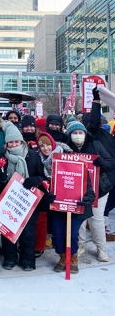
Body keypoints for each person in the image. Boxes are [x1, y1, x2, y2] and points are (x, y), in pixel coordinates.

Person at [36, 132, 93, 273]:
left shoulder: (70, 158)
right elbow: (40, 183)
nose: (45, 148)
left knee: (72, 233)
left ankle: (73, 257)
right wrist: (47, 195)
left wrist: (89, 196)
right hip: (57, 206)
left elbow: (86, 180)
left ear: (53, 145)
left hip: (76, 205)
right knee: (57, 232)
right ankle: (62, 256)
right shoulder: (39, 162)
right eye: (42, 146)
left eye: (48, 145)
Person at [0, 121, 45, 271]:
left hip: (28, 200)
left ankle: (28, 259)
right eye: (11, 142)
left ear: (21, 141)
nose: (14, 144)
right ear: (6, 143)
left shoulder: (33, 156)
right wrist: (1, 179)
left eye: (17, 141)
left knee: (28, 232)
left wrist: (35, 180)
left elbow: (42, 177)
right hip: (9, 200)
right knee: (8, 230)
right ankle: (10, 258)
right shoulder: (0, 156)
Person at [65, 121, 114, 262]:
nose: (78, 135)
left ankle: (101, 248)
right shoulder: (67, 148)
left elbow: (111, 163)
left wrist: (102, 163)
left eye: (80, 133)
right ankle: (79, 245)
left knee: (96, 219)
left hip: (99, 188)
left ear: (85, 134)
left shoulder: (96, 145)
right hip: (76, 189)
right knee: (78, 218)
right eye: (74, 133)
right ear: (70, 134)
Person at [82, 87, 115, 241]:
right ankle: (102, 233)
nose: (100, 121)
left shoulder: (106, 133)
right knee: (100, 212)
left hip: (112, 174)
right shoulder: (92, 133)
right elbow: (94, 122)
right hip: (103, 178)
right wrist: (96, 102)